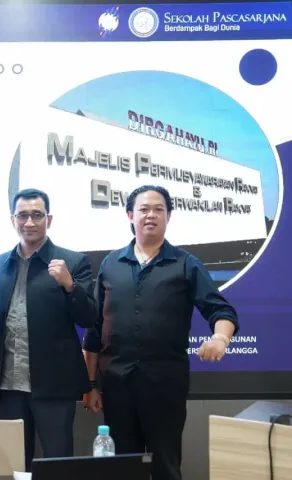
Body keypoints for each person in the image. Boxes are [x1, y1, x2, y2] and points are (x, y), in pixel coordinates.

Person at [82, 185, 239, 480]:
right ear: (130, 215)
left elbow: (222, 311)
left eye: (158, 209)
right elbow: (94, 329)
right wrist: (90, 384)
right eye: (143, 209)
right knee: (122, 467)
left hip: (165, 386)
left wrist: (220, 338)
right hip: (117, 385)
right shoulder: (110, 264)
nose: (151, 215)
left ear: (169, 216)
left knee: (165, 465)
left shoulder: (185, 264)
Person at [0, 188, 97, 471]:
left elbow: (88, 317)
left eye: (37, 215)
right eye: (22, 215)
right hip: (9, 387)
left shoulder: (73, 262)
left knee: (58, 463)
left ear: (49, 219)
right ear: (13, 220)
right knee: (13, 465)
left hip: (54, 388)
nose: (29, 222)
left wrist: (70, 285)